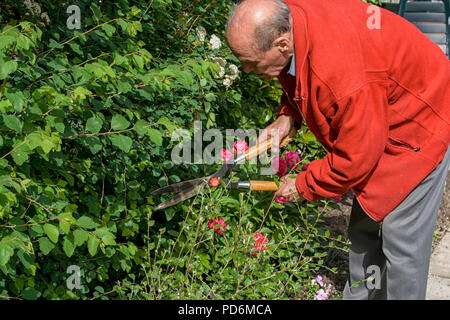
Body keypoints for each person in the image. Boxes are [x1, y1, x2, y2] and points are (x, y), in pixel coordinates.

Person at [226, 0, 450, 300]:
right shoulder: (292, 20)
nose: (246, 69)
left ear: (281, 43)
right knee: (363, 232)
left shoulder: (344, 74)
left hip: (422, 120)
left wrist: (304, 183)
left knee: (402, 244)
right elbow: (297, 68)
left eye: (250, 62)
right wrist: (287, 115)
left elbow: (355, 158)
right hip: (376, 115)